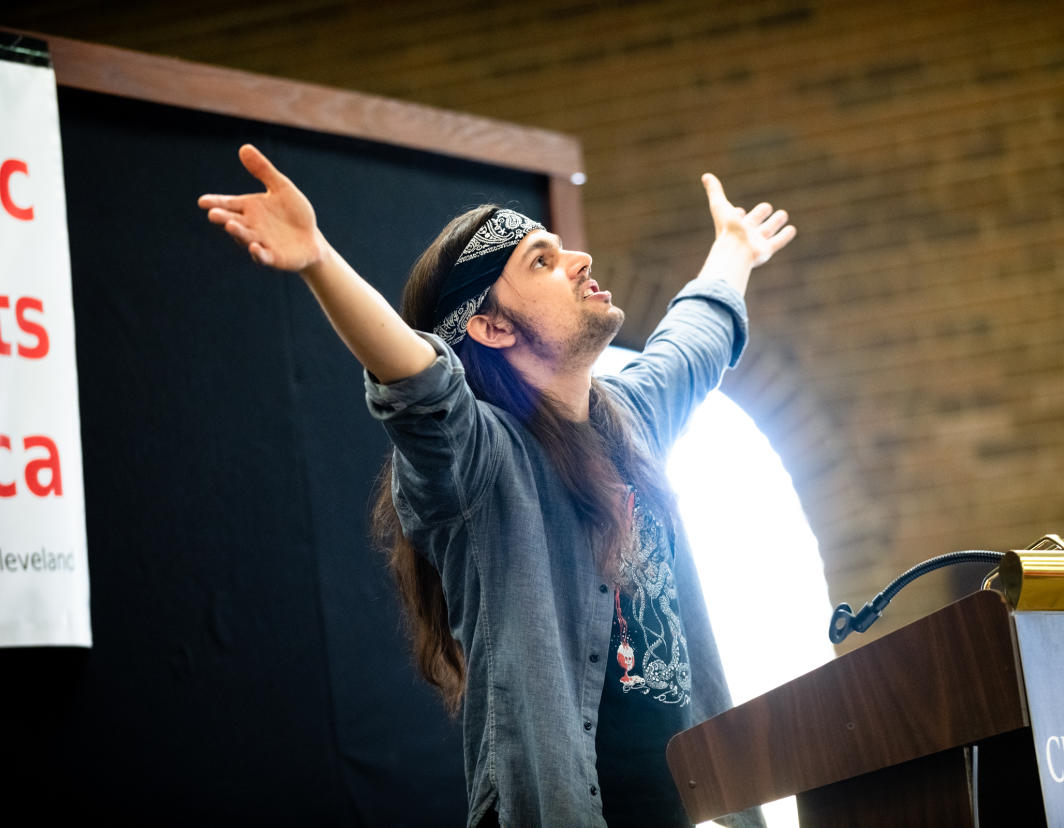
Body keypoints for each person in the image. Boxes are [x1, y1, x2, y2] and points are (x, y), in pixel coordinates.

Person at [198, 145, 795, 827]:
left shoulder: (634, 413)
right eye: (541, 260)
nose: (580, 261)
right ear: (490, 325)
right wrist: (317, 258)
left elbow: (695, 338)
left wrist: (734, 251)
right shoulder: (480, 463)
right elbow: (420, 385)